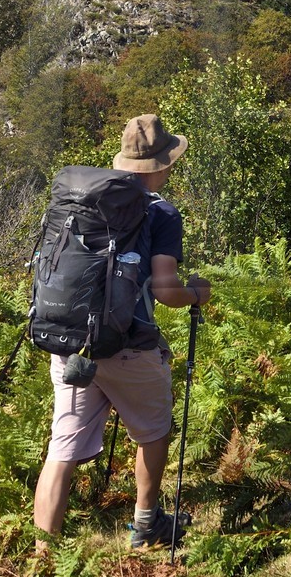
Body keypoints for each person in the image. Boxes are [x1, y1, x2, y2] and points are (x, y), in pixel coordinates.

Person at [32, 114, 211, 550]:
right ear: (161, 165)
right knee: (153, 431)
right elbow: (166, 291)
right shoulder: (162, 213)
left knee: (63, 447)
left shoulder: (83, 204)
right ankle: (146, 526)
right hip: (130, 347)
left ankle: (42, 555)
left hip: (73, 345)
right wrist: (197, 294)